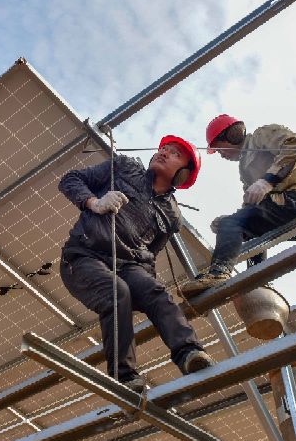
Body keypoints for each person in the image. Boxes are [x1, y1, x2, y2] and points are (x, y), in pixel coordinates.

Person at [59, 135, 214, 393]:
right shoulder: (125, 167)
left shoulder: (173, 215)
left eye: (174, 154)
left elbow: (149, 253)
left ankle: (189, 353)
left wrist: (146, 288)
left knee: (157, 293)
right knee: (116, 291)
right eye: (164, 148)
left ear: (182, 175)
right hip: (84, 256)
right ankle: (125, 378)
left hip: (129, 264)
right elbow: (70, 180)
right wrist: (95, 203)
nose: (163, 152)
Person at [181, 114, 296, 295]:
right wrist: (228, 225)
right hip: (285, 211)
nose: (220, 154)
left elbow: (294, 147)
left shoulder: (261, 136)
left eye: (218, 148)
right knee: (242, 231)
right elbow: (252, 206)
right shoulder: (244, 168)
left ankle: (218, 273)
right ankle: (259, 283)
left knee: (233, 224)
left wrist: (267, 180)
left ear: (232, 135)